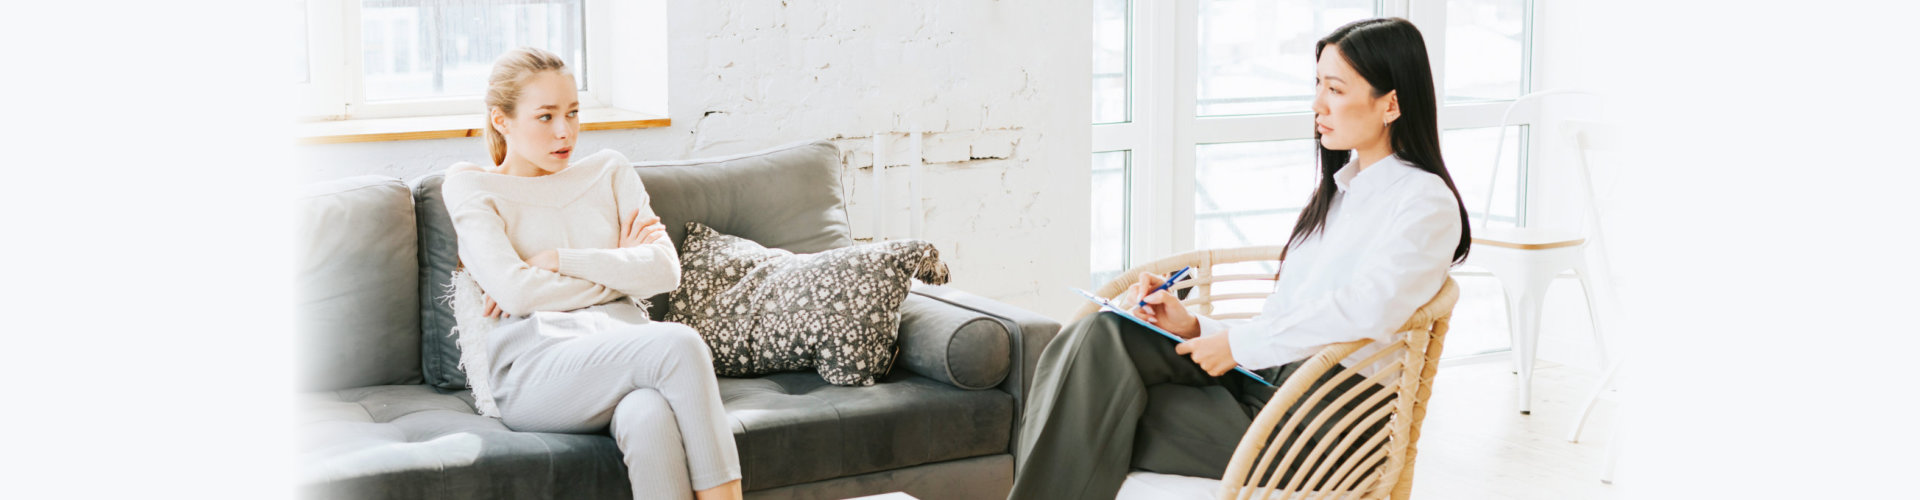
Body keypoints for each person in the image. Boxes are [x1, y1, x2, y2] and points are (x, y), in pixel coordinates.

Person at [1008, 17, 1471, 499]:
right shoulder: (1340, 193)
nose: (1317, 105)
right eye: (1317, 85)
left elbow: (1368, 308)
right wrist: (1192, 328)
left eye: (1335, 89)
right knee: (1100, 333)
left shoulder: (1424, 203)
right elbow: (1283, 321)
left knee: (1082, 406)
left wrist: (1238, 345)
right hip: (1267, 381)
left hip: (1329, 420)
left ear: (1391, 103)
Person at [441, 47, 743, 500]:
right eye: (545, 117)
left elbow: (664, 271)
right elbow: (519, 295)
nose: (565, 132)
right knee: (679, 344)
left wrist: (561, 259)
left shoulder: (609, 171)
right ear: (501, 120)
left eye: (573, 113)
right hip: (537, 372)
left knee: (649, 416)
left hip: (621, 356)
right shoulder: (472, 186)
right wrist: (620, 266)